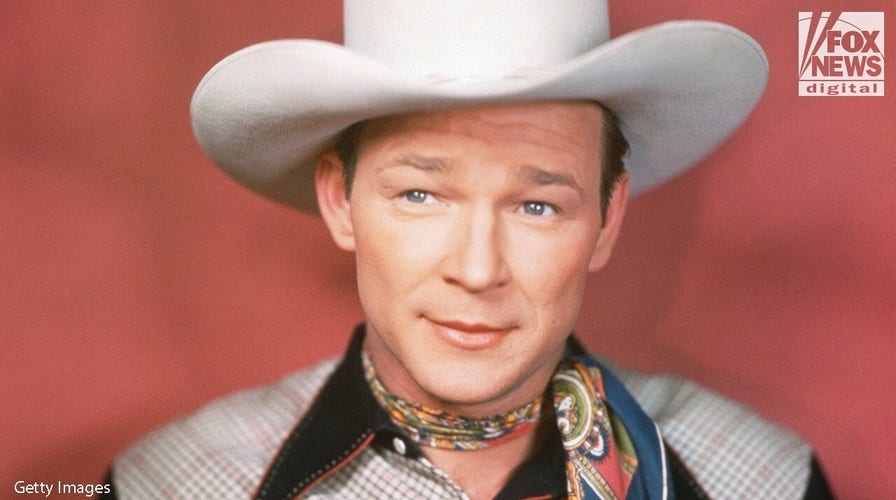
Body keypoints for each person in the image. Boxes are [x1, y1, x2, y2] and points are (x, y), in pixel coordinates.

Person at [105, 1, 833, 498]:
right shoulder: (170, 484)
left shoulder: (762, 481)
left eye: (537, 206)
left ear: (607, 220)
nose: (478, 270)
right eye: (421, 195)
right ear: (340, 201)